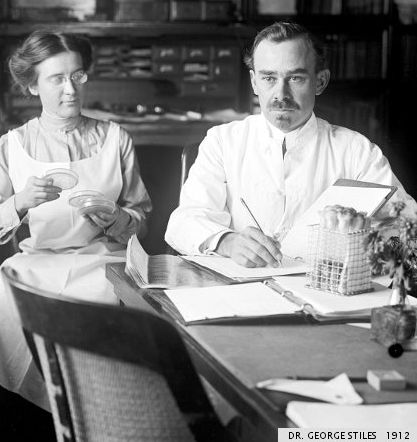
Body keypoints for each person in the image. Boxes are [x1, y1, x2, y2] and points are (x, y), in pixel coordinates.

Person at [0, 30, 152, 410]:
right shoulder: (12, 146)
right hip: (36, 264)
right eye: (57, 79)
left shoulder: (115, 138)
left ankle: (95, 416)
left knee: (97, 319)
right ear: (33, 86)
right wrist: (18, 203)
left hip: (104, 265)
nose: (71, 89)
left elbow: (142, 219)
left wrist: (117, 217)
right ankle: (22, 417)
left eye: (77, 75)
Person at [165, 21, 417, 267]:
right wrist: (227, 242)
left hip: (324, 288)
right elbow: (183, 223)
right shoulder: (223, 141)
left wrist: (365, 242)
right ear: (254, 82)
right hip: (240, 288)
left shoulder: (356, 151)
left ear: (320, 82)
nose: (280, 94)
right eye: (268, 78)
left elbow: (409, 226)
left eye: (295, 78)